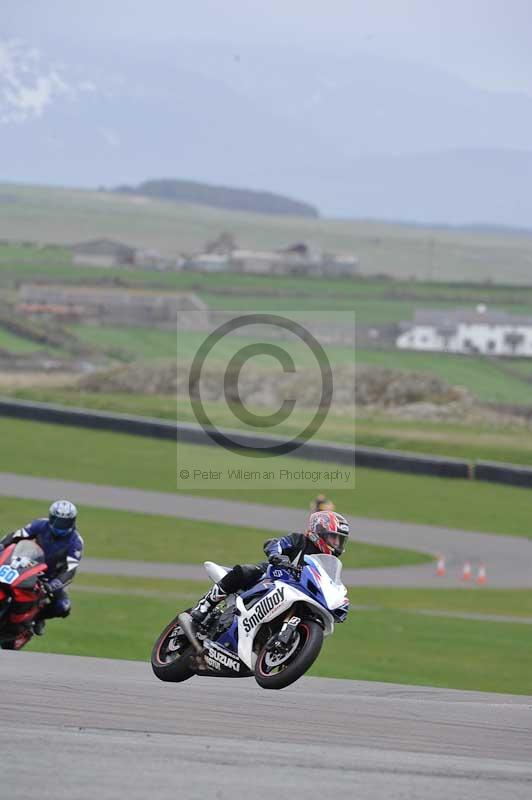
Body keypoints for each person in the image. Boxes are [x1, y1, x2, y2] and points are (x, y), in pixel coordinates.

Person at [190, 510, 349, 625]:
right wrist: (276, 555)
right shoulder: (299, 540)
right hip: (272, 577)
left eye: (340, 540)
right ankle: (205, 605)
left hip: (298, 593)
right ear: (319, 531)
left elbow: (329, 583)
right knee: (246, 571)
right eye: (333, 537)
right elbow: (275, 544)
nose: (336, 544)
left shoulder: (328, 562)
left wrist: (338, 604)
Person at [0, 500, 83, 635]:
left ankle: (37, 619)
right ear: (51, 518)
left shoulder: (76, 541)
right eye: (56, 521)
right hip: (29, 566)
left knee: (63, 607)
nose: (60, 526)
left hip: (52, 577)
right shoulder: (40, 524)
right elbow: (16, 536)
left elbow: (70, 569)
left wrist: (54, 584)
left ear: (73, 521)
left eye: (65, 522)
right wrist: (2, 546)